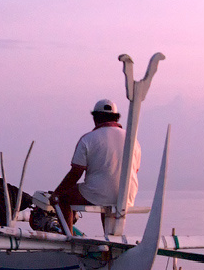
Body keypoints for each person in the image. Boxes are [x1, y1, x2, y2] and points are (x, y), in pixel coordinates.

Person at [50, 99, 140, 232]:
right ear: (116, 118)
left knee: (62, 198)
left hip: (98, 194)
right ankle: (108, 238)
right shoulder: (133, 139)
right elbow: (135, 170)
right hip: (128, 195)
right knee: (105, 197)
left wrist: (56, 193)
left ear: (96, 118)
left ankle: (68, 239)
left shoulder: (88, 139)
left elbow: (76, 173)